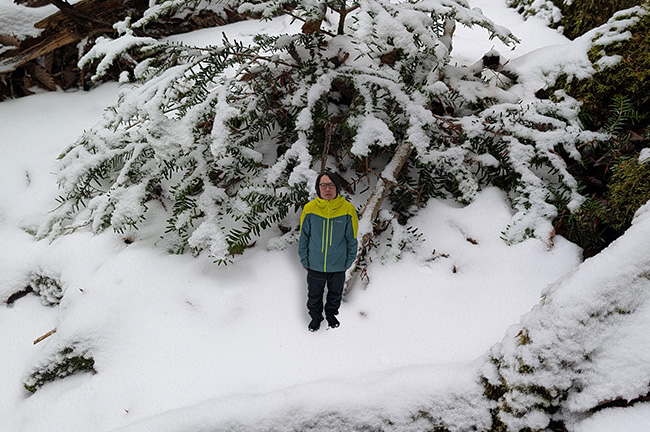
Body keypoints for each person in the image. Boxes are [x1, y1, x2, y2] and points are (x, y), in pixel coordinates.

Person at [299, 171, 358, 332]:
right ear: (318, 188)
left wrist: (348, 261)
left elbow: (352, 239)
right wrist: (305, 260)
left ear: (337, 187)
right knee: (314, 294)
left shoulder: (348, 209)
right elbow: (304, 237)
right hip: (315, 263)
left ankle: (331, 315)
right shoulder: (309, 209)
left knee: (335, 294)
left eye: (331, 185)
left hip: (338, 264)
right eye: (323, 185)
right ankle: (316, 317)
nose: (327, 189)